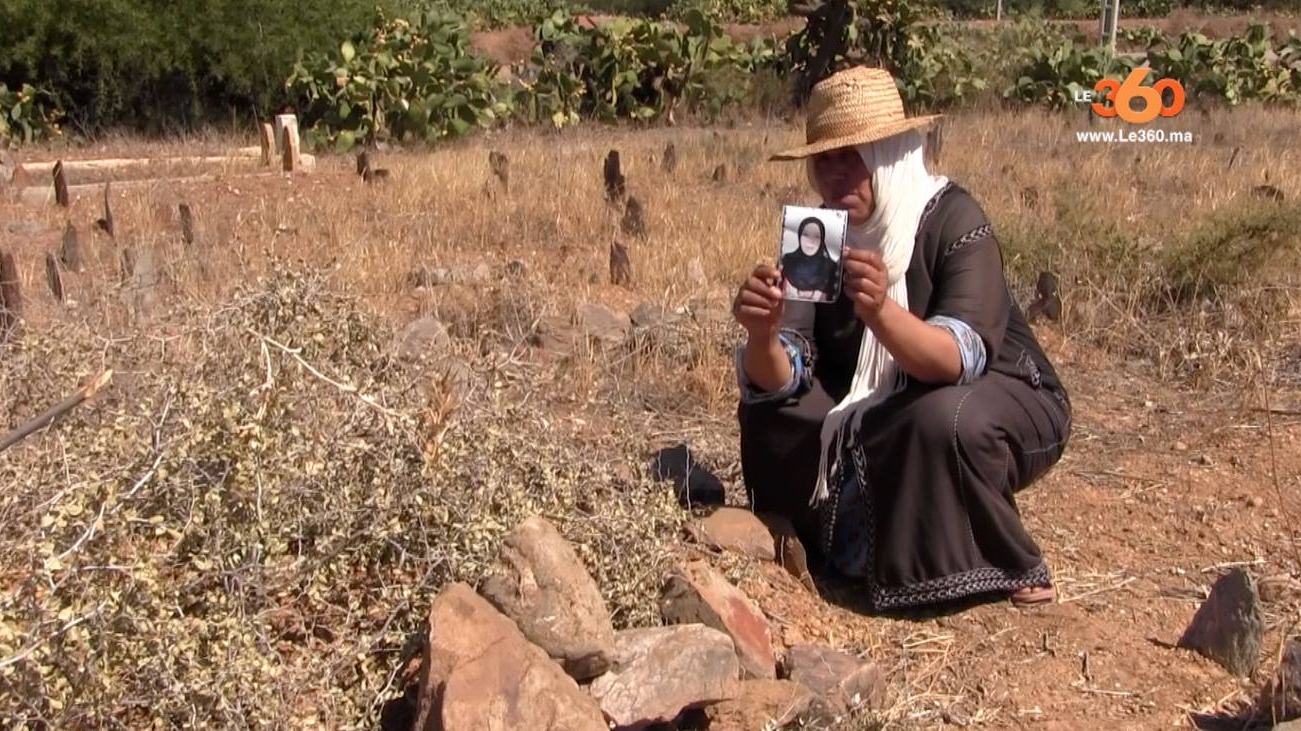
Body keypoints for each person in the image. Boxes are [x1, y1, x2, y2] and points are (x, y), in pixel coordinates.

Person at [732, 66, 1071, 612]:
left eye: (853, 156)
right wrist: (763, 335)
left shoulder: (953, 220)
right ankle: (839, 542)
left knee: (937, 421)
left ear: (890, 151)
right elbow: (787, 373)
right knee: (772, 413)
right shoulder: (818, 238)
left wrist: (881, 313)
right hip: (886, 409)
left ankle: (1008, 560)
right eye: (826, 159)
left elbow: (957, 357)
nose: (837, 175)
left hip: (999, 394)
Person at [781, 216, 840, 302]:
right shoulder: (787, 262)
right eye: (806, 235)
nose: (810, 241)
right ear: (799, 236)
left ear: (822, 239)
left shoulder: (832, 268)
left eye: (816, 236)